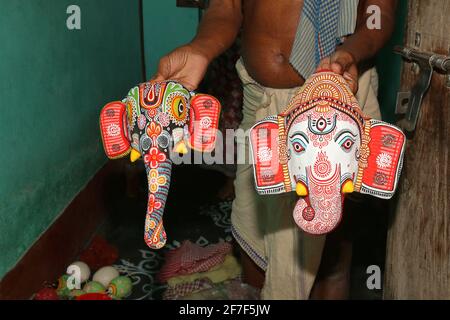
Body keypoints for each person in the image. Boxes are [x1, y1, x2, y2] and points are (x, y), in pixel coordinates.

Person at [154, 0, 397, 299]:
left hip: (334, 101)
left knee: (330, 249)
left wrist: (350, 52)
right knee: (251, 234)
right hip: (262, 102)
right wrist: (201, 48)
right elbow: (226, 7)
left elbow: (378, 15)